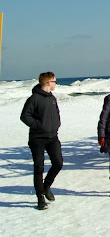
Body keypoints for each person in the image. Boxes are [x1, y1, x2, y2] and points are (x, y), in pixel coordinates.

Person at [20, 71, 63, 210]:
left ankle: (46, 186)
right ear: (48, 83)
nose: (56, 84)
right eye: (54, 81)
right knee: (39, 167)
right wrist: (38, 126)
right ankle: (40, 198)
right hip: (37, 138)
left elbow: (56, 113)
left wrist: (56, 124)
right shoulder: (34, 98)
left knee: (58, 163)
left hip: (52, 137)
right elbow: (24, 116)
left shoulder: (52, 98)